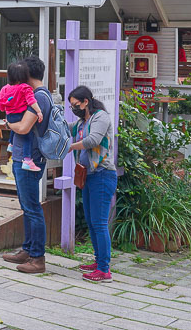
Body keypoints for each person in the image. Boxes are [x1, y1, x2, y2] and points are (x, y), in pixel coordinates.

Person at [1, 55, 53, 274]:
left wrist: (8, 123)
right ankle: (28, 250)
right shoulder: (32, 94)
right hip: (22, 156)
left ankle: (37, 258)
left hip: (29, 159)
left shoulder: (39, 97)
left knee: (32, 208)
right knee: (27, 206)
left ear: (27, 75)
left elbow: (23, 127)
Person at [66, 85, 117, 283]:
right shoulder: (81, 122)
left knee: (99, 223)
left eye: (76, 105)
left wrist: (71, 146)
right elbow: (65, 127)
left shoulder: (100, 117)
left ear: (86, 101)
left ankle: (104, 270)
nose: (74, 109)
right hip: (89, 176)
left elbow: (93, 140)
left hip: (103, 175)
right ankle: (98, 262)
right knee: (91, 221)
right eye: (71, 106)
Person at [0, 62, 44, 172]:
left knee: (14, 127)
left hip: (10, 115)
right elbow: (31, 101)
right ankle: (27, 160)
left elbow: (0, 103)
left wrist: (6, 108)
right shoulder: (25, 88)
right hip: (20, 115)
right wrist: (38, 111)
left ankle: (11, 144)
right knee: (28, 138)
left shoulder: (5, 88)